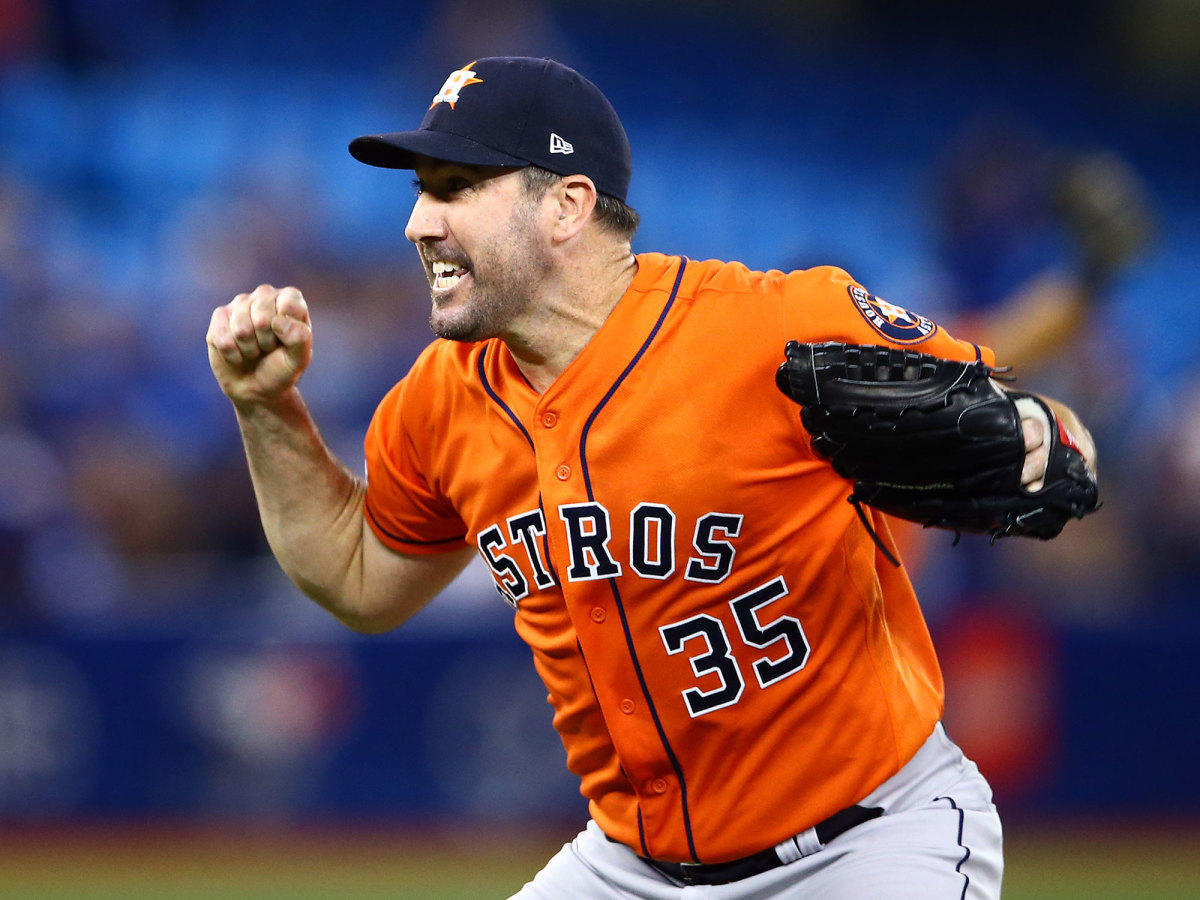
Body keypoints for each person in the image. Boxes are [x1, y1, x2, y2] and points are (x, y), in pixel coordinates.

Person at [206, 57, 1097, 899]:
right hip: (633, 865)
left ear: (567, 205)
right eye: (420, 192)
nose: (418, 223)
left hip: (866, 841)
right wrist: (265, 409)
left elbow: (1042, 432)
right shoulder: (437, 404)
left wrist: (1051, 445)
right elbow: (360, 581)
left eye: (457, 189)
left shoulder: (778, 329)